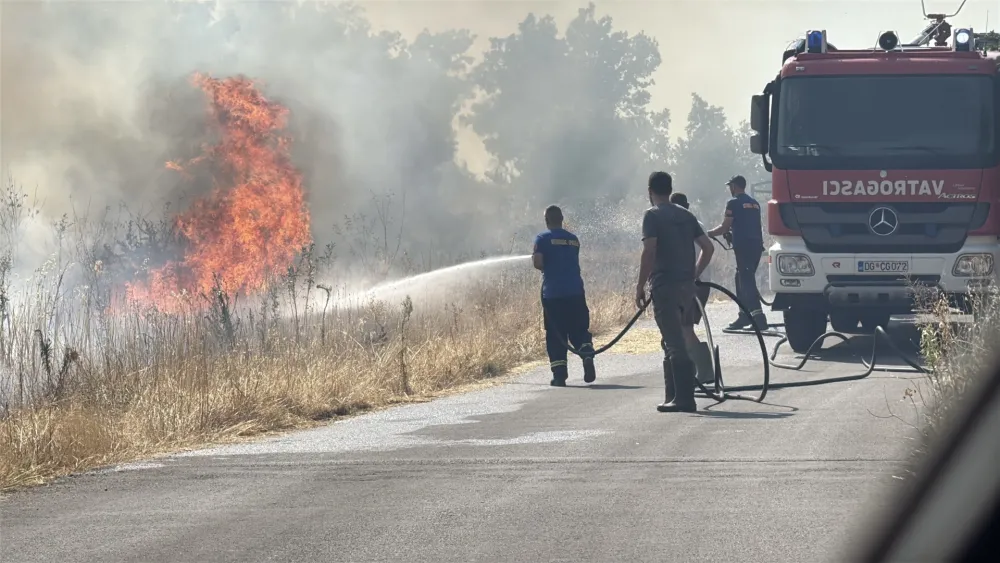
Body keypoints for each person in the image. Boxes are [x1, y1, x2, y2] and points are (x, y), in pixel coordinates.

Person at [636, 172, 714, 412]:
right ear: (670, 189)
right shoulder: (686, 215)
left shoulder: (652, 216)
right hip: (686, 288)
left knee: (674, 343)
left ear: (650, 192)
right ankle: (674, 394)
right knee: (677, 337)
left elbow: (649, 251)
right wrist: (693, 273)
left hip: (665, 286)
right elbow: (708, 248)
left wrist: (639, 285)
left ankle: (684, 399)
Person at [532, 205, 596, 387]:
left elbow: (538, 263)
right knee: (579, 329)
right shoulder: (573, 239)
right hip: (576, 292)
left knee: (555, 334)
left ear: (547, 221)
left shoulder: (542, 239)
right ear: (562, 219)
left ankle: (559, 376)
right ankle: (586, 354)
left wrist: (540, 262)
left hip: (553, 295)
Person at [706, 174, 767, 331]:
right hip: (756, 246)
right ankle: (744, 316)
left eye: (730, 186)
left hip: (744, 246)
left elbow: (725, 227)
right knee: (740, 277)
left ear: (734, 186)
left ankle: (758, 318)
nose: (729, 190)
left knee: (746, 280)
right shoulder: (754, 203)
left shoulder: (733, 202)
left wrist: (709, 233)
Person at [668, 192, 717, 385]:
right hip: (698, 284)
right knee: (685, 329)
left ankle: (704, 373)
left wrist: (692, 275)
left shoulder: (681, 226)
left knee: (684, 329)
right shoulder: (697, 224)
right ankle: (700, 372)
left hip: (692, 285)